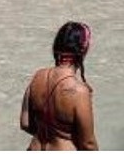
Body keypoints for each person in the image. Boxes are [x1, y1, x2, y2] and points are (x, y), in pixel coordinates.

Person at [20, 21, 97, 150]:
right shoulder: (79, 91)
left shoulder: (38, 76)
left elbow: (25, 123)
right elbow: (88, 144)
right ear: (84, 51)